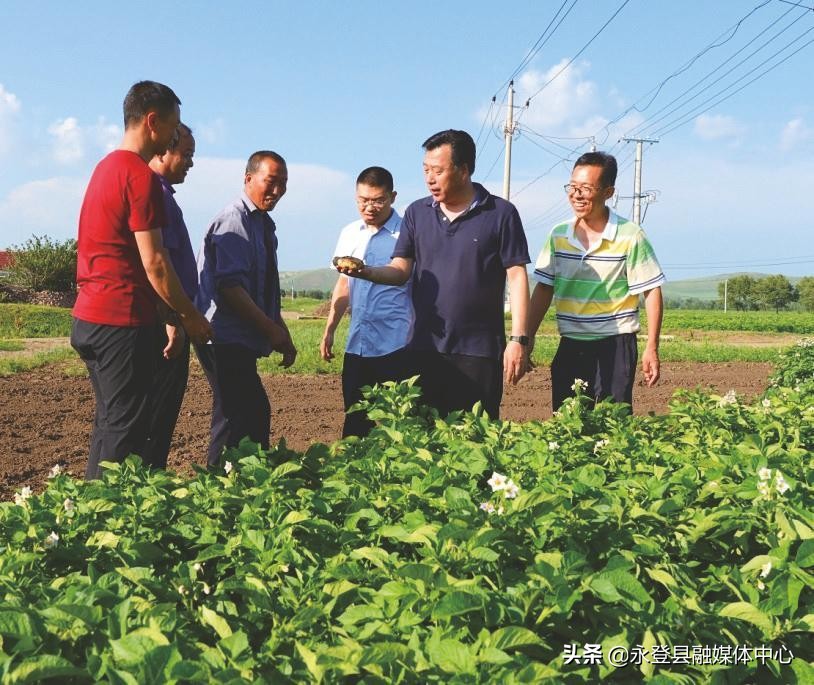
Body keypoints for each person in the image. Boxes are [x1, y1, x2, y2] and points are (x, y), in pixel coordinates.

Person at [71, 81, 212, 480]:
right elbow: (156, 264)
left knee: (110, 422)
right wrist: (189, 316)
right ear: (153, 122)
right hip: (121, 320)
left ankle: (89, 514)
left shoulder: (104, 167)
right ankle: (108, 528)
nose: (174, 136)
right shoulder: (139, 176)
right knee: (125, 431)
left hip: (89, 318)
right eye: (173, 126)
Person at [336, 130, 530, 419]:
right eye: (426, 170)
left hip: (478, 350)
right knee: (423, 441)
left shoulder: (500, 213)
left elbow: (516, 275)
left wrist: (518, 340)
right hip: (422, 348)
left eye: (438, 171)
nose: (429, 178)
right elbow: (401, 270)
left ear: (464, 170)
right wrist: (366, 271)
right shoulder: (417, 213)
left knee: (475, 440)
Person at [527, 151, 665, 411]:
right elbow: (544, 288)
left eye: (586, 188)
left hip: (616, 343)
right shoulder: (558, 235)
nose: (577, 195)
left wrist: (652, 348)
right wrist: (528, 337)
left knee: (613, 423)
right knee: (568, 422)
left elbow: (652, 290)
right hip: (571, 343)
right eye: (573, 187)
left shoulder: (630, 235)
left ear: (608, 192)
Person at [195, 150, 297, 466]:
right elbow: (230, 290)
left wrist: (283, 332)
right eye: (271, 182)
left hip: (238, 336)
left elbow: (260, 289)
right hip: (221, 335)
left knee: (246, 412)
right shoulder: (235, 220)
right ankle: (217, 489)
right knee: (238, 414)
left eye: (283, 183)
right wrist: (271, 331)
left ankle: (242, 485)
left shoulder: (263, 225)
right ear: (248, 178)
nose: (277, 191)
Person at [320, 166, 414, 437]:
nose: (369, 207)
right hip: (358, 345)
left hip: (396, 345)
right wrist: (330, 329)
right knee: (355, 422)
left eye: (377, 200)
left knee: (398, 425)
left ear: (392, 197)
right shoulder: (350, 233)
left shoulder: (407, 233)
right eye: (363, 200)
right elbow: (343, 284)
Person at [141, 123, 197, 468]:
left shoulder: (163, 194)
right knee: (153, 420)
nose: (190, 163)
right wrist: (174, 319)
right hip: (166, 326)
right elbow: (157, 265)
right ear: (163, 150)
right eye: (186, 154)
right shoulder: (155, 194)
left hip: (171, 321)